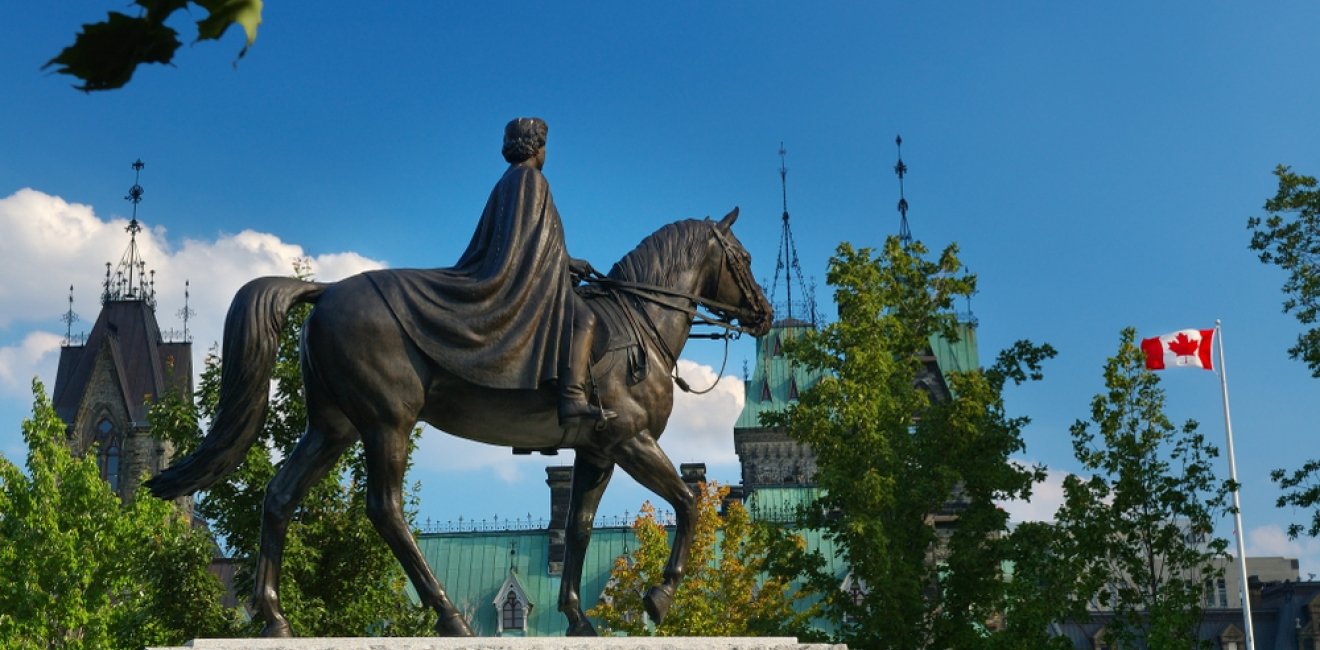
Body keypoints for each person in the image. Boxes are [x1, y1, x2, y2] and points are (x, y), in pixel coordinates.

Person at [366, 117, 610, 425]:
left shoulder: (507, 181)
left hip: (515, 272)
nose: (545, 153)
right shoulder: (532, 181)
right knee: (584, 318)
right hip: (519, 282)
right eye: (545, 146)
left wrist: (568, 261)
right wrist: (564, 262)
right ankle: (572, 397)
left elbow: (527, 240)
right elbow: (531, 244)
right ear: (537, 148)